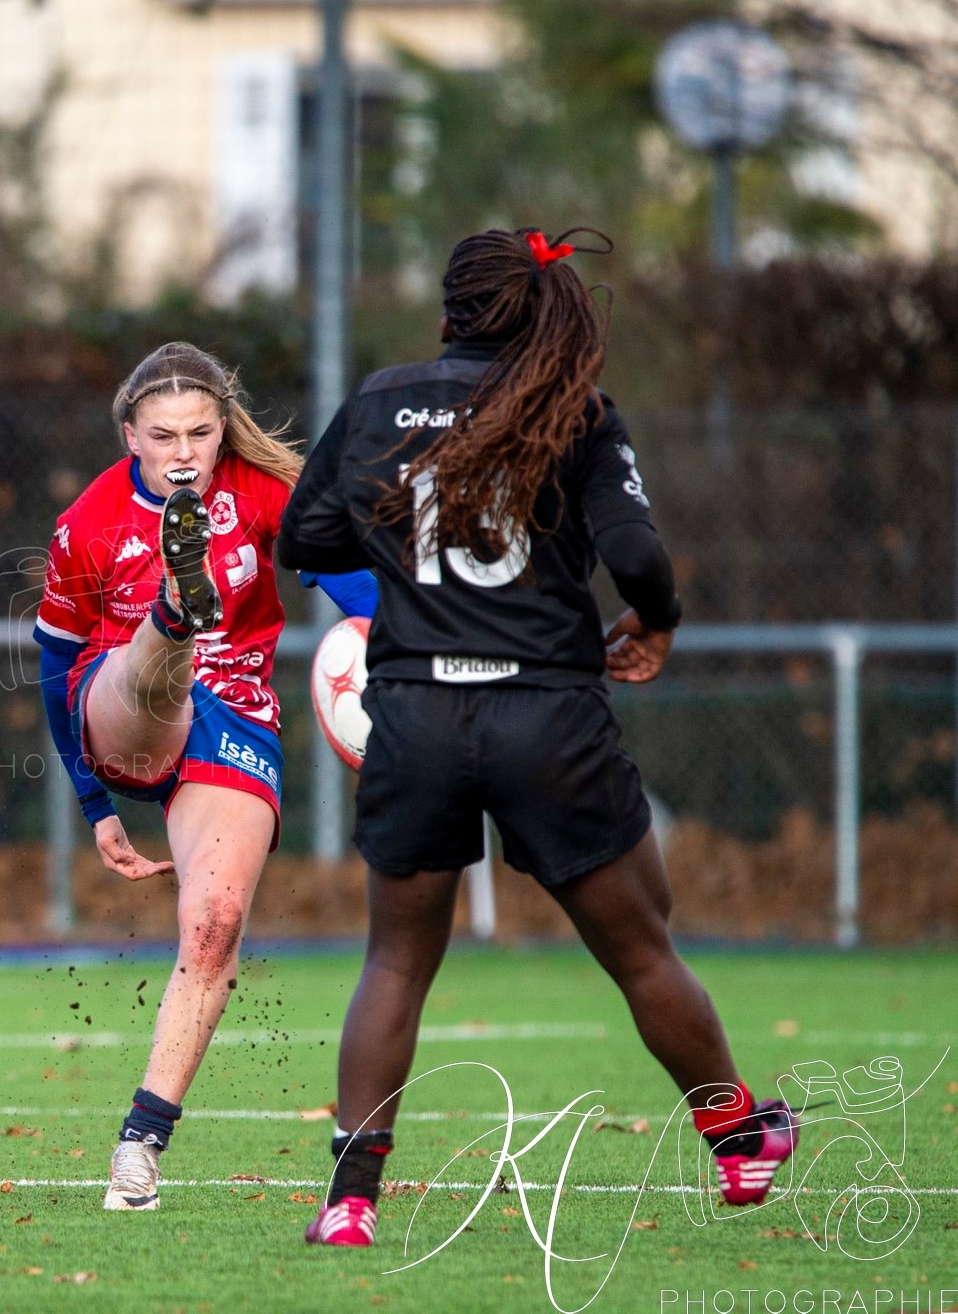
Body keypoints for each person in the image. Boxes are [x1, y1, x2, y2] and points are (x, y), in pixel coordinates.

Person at [277, 227, 798, 1248]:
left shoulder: (381, 399)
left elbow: (305, 537)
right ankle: (739, 1141)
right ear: (542, 312)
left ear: (449, 310)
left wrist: (397, 551)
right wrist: (658, 618)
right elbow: (638, 556)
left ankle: (349, 1202)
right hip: (547, 715)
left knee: (395, 960)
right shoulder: (576, 409)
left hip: (418, 711)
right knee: (643, 944)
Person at [34, 342, 375, 1211]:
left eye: (199, 432)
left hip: (237, 718)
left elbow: (356, 592)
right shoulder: (87, 521)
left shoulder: (262, 494)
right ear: (129, 437)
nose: (183, 451)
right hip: (122, 707)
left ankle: (138, 1149)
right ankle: (173, 614)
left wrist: (412, 630)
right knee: (150, 672)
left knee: (216, 926)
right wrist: (93, 805)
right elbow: (52, 669)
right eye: (162, 435)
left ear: (223, 430)